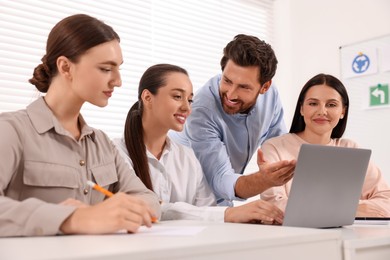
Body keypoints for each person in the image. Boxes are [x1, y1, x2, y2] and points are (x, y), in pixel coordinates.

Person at [0, 14, 160, 237]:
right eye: (106, 69)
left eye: (118, 69)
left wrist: (119, 211)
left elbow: (149, 200)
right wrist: (72, 219)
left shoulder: (102, 144)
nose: (118, 81)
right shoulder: (10, 131)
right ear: (66, 67)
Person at [114, 63, 284, 224]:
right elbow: (151, 208)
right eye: (177, 96)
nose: (187, 108)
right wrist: (228, 214)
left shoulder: (187, 157)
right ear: (147, 97)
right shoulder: (116, 152)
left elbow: (208, 210)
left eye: (189, 100)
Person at [169, 34, 296, 206]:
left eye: (244, 87)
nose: (231, 94)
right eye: (227, 81)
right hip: (192, 204)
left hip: (224, 200)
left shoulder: (271, 96)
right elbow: (220, 178)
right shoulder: (201, 111)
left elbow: (277, 149)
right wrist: (263, 180)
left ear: (265, 86)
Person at [261, 73, 390, 217]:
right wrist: (349, 209)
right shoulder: (275, 148)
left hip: (345, 236)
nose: (322, 111)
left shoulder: (351, 149)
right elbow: (273, 206)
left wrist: (323, 209)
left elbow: (386, 201)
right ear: (302, 109)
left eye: (331, 105)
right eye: (313, 103)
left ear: (343, 111)